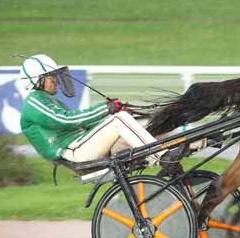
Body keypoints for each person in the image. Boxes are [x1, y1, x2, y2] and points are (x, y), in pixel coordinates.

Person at [19, 54, 164, 166]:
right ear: (37, 80)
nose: (56, 81)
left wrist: (112, 110)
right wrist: (106, 108)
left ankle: (180, 147)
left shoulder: (48, 100)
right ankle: (162, 157)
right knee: (119, 120)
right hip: (75, 151)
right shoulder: (34, 102)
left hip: (82, 143)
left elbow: (82, 124)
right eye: (51, 77)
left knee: (136, 120)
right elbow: (68, 120)